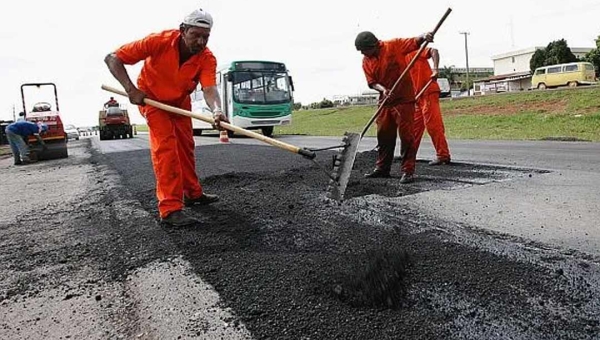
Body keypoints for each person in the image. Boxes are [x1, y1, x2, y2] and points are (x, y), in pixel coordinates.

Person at [104, 8, 227, 227]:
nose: (200, 41)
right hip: (153, 101)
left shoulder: (206, 58)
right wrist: (131, 89)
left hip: (179, 103)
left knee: (186, 147)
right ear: (183, 30)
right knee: (167, 149)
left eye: (205, 37)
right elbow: (113, 58)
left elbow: (209, 88)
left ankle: (192, 194)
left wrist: (217, 110)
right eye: (195, 35)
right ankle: (170, 209)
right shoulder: (158, 41)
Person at [355, 30, 434, 183]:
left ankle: (408, 170)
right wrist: (383, 90)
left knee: (406, 136)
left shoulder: (393, 45)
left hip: (404, 99)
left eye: (364, 50)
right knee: (384, 135)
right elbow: (372, 82)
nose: (363, 53)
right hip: (385, 100)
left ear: (374, 45)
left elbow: (414, 41)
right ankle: (382, 168)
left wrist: (425, 36)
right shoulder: (366, 61)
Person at [406, 47, 451, 165]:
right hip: (417, 97)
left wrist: (435, 69)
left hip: (428, 92)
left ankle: (443, 155)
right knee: (414, 127)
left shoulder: (413, 52)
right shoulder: (399, 64)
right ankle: (409, 155)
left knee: (433, 125)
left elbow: (434, 51)